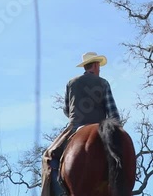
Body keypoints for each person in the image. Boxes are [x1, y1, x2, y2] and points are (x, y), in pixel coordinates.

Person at [40, 52, 121, 196]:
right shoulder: (103, 83)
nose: (100, 69)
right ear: (95, 65)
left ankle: (60, 191)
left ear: (85, 66)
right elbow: (113, 113)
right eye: (99, 66)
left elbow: (67, 110)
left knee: (49, 156)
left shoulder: (72, 83)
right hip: (102, 128)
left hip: (76, 126)